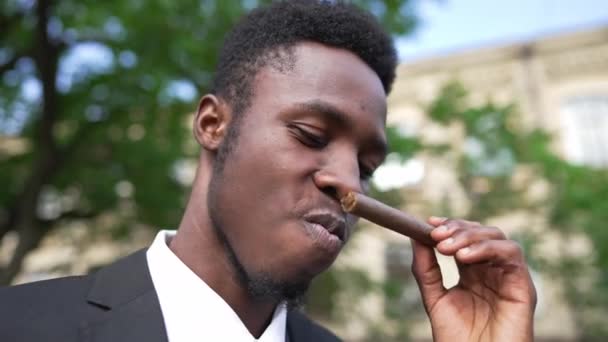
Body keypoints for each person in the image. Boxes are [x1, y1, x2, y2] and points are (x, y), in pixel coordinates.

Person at [0, 1, 537, 341]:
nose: (348, 182)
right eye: (310, 135)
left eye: (367, 166)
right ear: (213, 125)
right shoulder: (20, 325)